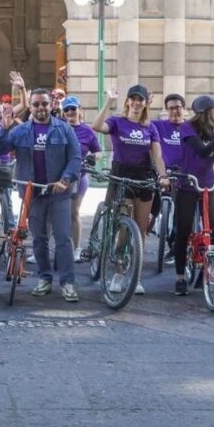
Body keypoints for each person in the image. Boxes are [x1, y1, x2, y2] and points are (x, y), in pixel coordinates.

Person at [0, 89, 82, 301]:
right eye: (36, 104)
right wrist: (4, 129)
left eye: (44, 104)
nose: (40, 108)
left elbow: (75, 157)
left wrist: (65, 180)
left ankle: (67, 282)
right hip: (32, 193)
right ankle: (44, 278)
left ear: (51, 105)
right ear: (31, 107)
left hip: (58, 193)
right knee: (39, 239)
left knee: (63, 238)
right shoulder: (20, 130)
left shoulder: (64, 128)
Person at [92, 84, 168, 294]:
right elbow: (96, 126)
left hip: (144, 176)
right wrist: (109, 101)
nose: (136, 103)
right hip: (122, 176)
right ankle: (119, 272)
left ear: (145, 103)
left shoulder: (150, 127)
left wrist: (163, 176)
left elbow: (157, 155)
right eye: (132, 99)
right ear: (127, 102)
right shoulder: (117, 121)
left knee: (140, 229)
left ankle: (136, 276)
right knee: (125, 228)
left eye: (140, 100)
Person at [170, 96, 214, 296]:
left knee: (213, 232)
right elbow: (202, 151)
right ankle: (180, 277)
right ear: (206, 111)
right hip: (188, 184)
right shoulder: (187, 128)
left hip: (209, 184)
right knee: (183, 231)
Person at [62, 95, 101, 262]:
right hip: (59, 177)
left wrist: (93, 157)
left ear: (80, 110)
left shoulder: (87, 131)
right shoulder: (59, 128)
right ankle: (42, 250)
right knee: (50, 213)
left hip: (79, 177)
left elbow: (98, 151)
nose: (70, 112)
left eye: (73, 108)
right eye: (67, 109)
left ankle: (76, 249)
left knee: (74, 212)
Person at [152, 93, 188, 265]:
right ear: (166, 110)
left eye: (178, 107)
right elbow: (141, 123)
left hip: (184, 176)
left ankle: (175, 247)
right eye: (171, 108)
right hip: (163, 175)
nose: (175, 111)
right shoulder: (159, 126)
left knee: (181, 214)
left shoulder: (190, 127)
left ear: (184, 109)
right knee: (156, 207)